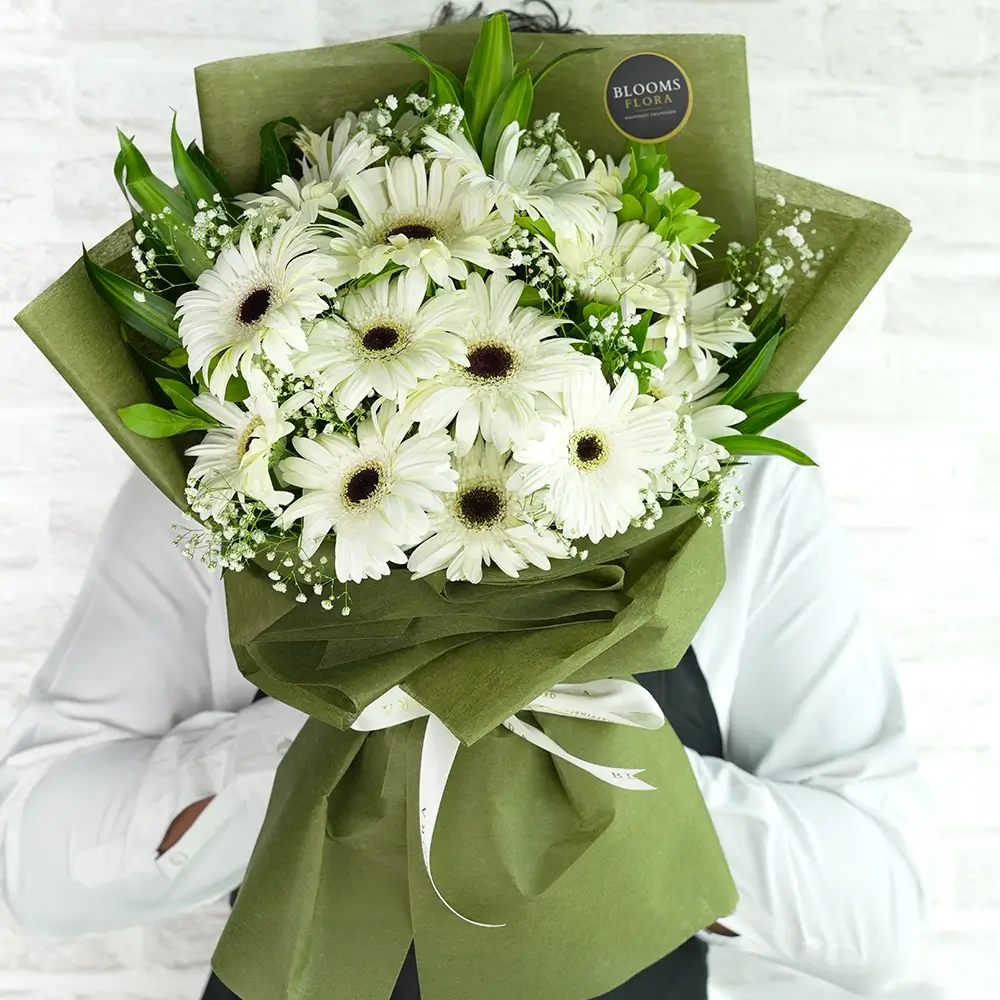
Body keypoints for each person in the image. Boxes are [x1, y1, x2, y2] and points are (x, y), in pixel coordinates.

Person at [0, 6, 930, 999]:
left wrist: (573, 749)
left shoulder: (741, 471)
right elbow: (38, 865)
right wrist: (340, 722)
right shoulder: (228, 463)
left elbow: (878, 909)